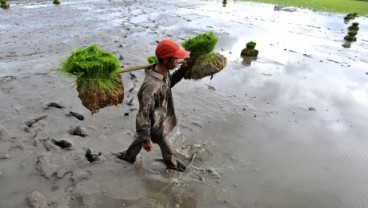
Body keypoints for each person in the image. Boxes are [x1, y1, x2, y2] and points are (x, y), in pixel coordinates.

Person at [118, 39, 190, 172]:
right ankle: (171, 163)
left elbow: (169, 83)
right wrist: (146, 139)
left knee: (143, 137)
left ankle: (128, 157)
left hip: (158, 114)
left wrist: (183, 69)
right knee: (157, 138)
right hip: (152, 119)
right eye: (176, 59)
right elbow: (143, 114)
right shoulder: (152, 87)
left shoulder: (162, 72)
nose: (178, 60)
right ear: (166, 60)